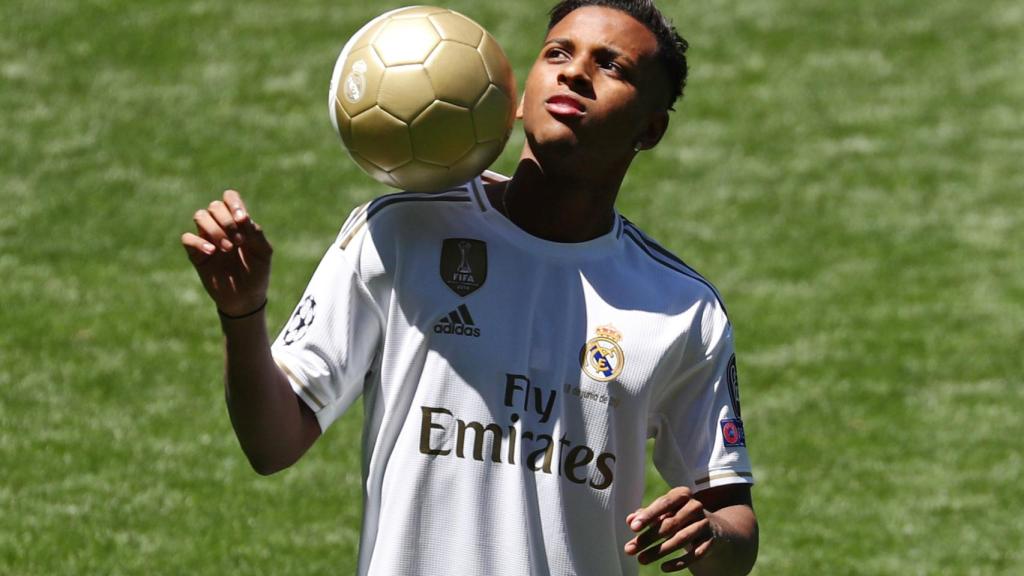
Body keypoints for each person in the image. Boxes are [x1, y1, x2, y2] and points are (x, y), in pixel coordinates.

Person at [181, 0, 758, 574]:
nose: (575, 73)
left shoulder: (682, 309)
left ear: (650, 129)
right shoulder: (402, 232)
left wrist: (711, 535)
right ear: (519, 95)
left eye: (612, 66)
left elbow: (734, 518)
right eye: (557, 53)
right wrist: (243, 313)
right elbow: (272, 444)